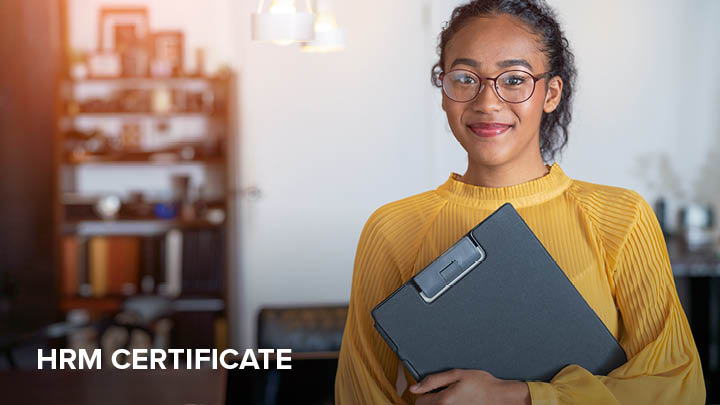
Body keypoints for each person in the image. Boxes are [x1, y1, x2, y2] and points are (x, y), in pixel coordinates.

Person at [334, 0, 706, 403]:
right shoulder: (391, 228)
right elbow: (361, 393)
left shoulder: (621, 217)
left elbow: (678, 385)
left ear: (551, 93)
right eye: (465, 78)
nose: (487, 102)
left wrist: (521, 395)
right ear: (443, 91)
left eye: (514, 80)